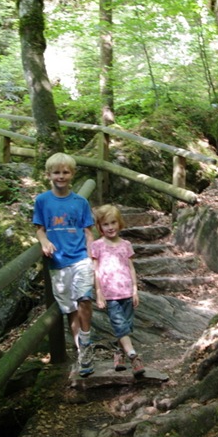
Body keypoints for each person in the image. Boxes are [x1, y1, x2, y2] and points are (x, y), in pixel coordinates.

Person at [32, 153, 96, 377]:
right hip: (58, 262)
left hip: (80, 258)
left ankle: (86, 341)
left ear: (72, 174)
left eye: (65, 172)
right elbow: (39, 229)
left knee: (84, 299)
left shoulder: (80, 202)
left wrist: (93, 258)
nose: (61, 176)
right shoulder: (42, 200)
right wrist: (44, 241)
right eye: (57, 172)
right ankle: (81, 350)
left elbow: (88, 232)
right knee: (70, 309)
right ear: (49, 175)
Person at [91, 204, 145, 377]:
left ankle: (118, 353)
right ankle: (133, 356)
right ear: (100, 227)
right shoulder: (97, 245)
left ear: (119, 223)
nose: (110, 227)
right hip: (110, 294)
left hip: (127, 292)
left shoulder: (126, 244)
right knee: (120, 326)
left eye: (113, 222)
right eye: (105, 224)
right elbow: (96, 270)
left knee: (126, 327)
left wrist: (135, 290)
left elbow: (131, 268)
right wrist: (99, 292)